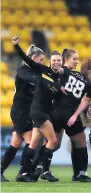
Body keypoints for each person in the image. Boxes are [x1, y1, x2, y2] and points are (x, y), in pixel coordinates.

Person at [11, 36, 65, 182]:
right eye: (54, 60)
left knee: (34, 144)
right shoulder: (43, 70)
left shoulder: (59, 78)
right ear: (50, 62)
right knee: (52, 141)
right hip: (38, 110)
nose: (56, 62)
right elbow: (27, 59)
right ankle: (43, 170)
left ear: (62, 63)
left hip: (43, 111)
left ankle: (23, 173)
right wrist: (16, 46)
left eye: (59, 61)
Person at [1, 43, 44, 182]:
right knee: (32, 142)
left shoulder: (36, 72)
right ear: (32, 58)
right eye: (40, 60)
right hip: (20, 110)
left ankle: (2, 171)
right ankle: (24, 172)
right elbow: (32, 81)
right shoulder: (23, 70)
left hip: (27, 110)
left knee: (16, 143)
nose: (41, 63)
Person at [51, 53, 91, 182]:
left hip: (56, 111)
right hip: (70, 114)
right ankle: (81, 174)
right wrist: (82, 110)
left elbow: (69, 91)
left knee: (53, 144)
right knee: (81, 143)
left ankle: (36, 167)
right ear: (90, 71)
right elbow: (84, 99)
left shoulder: (69, 73)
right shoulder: (88, 82)